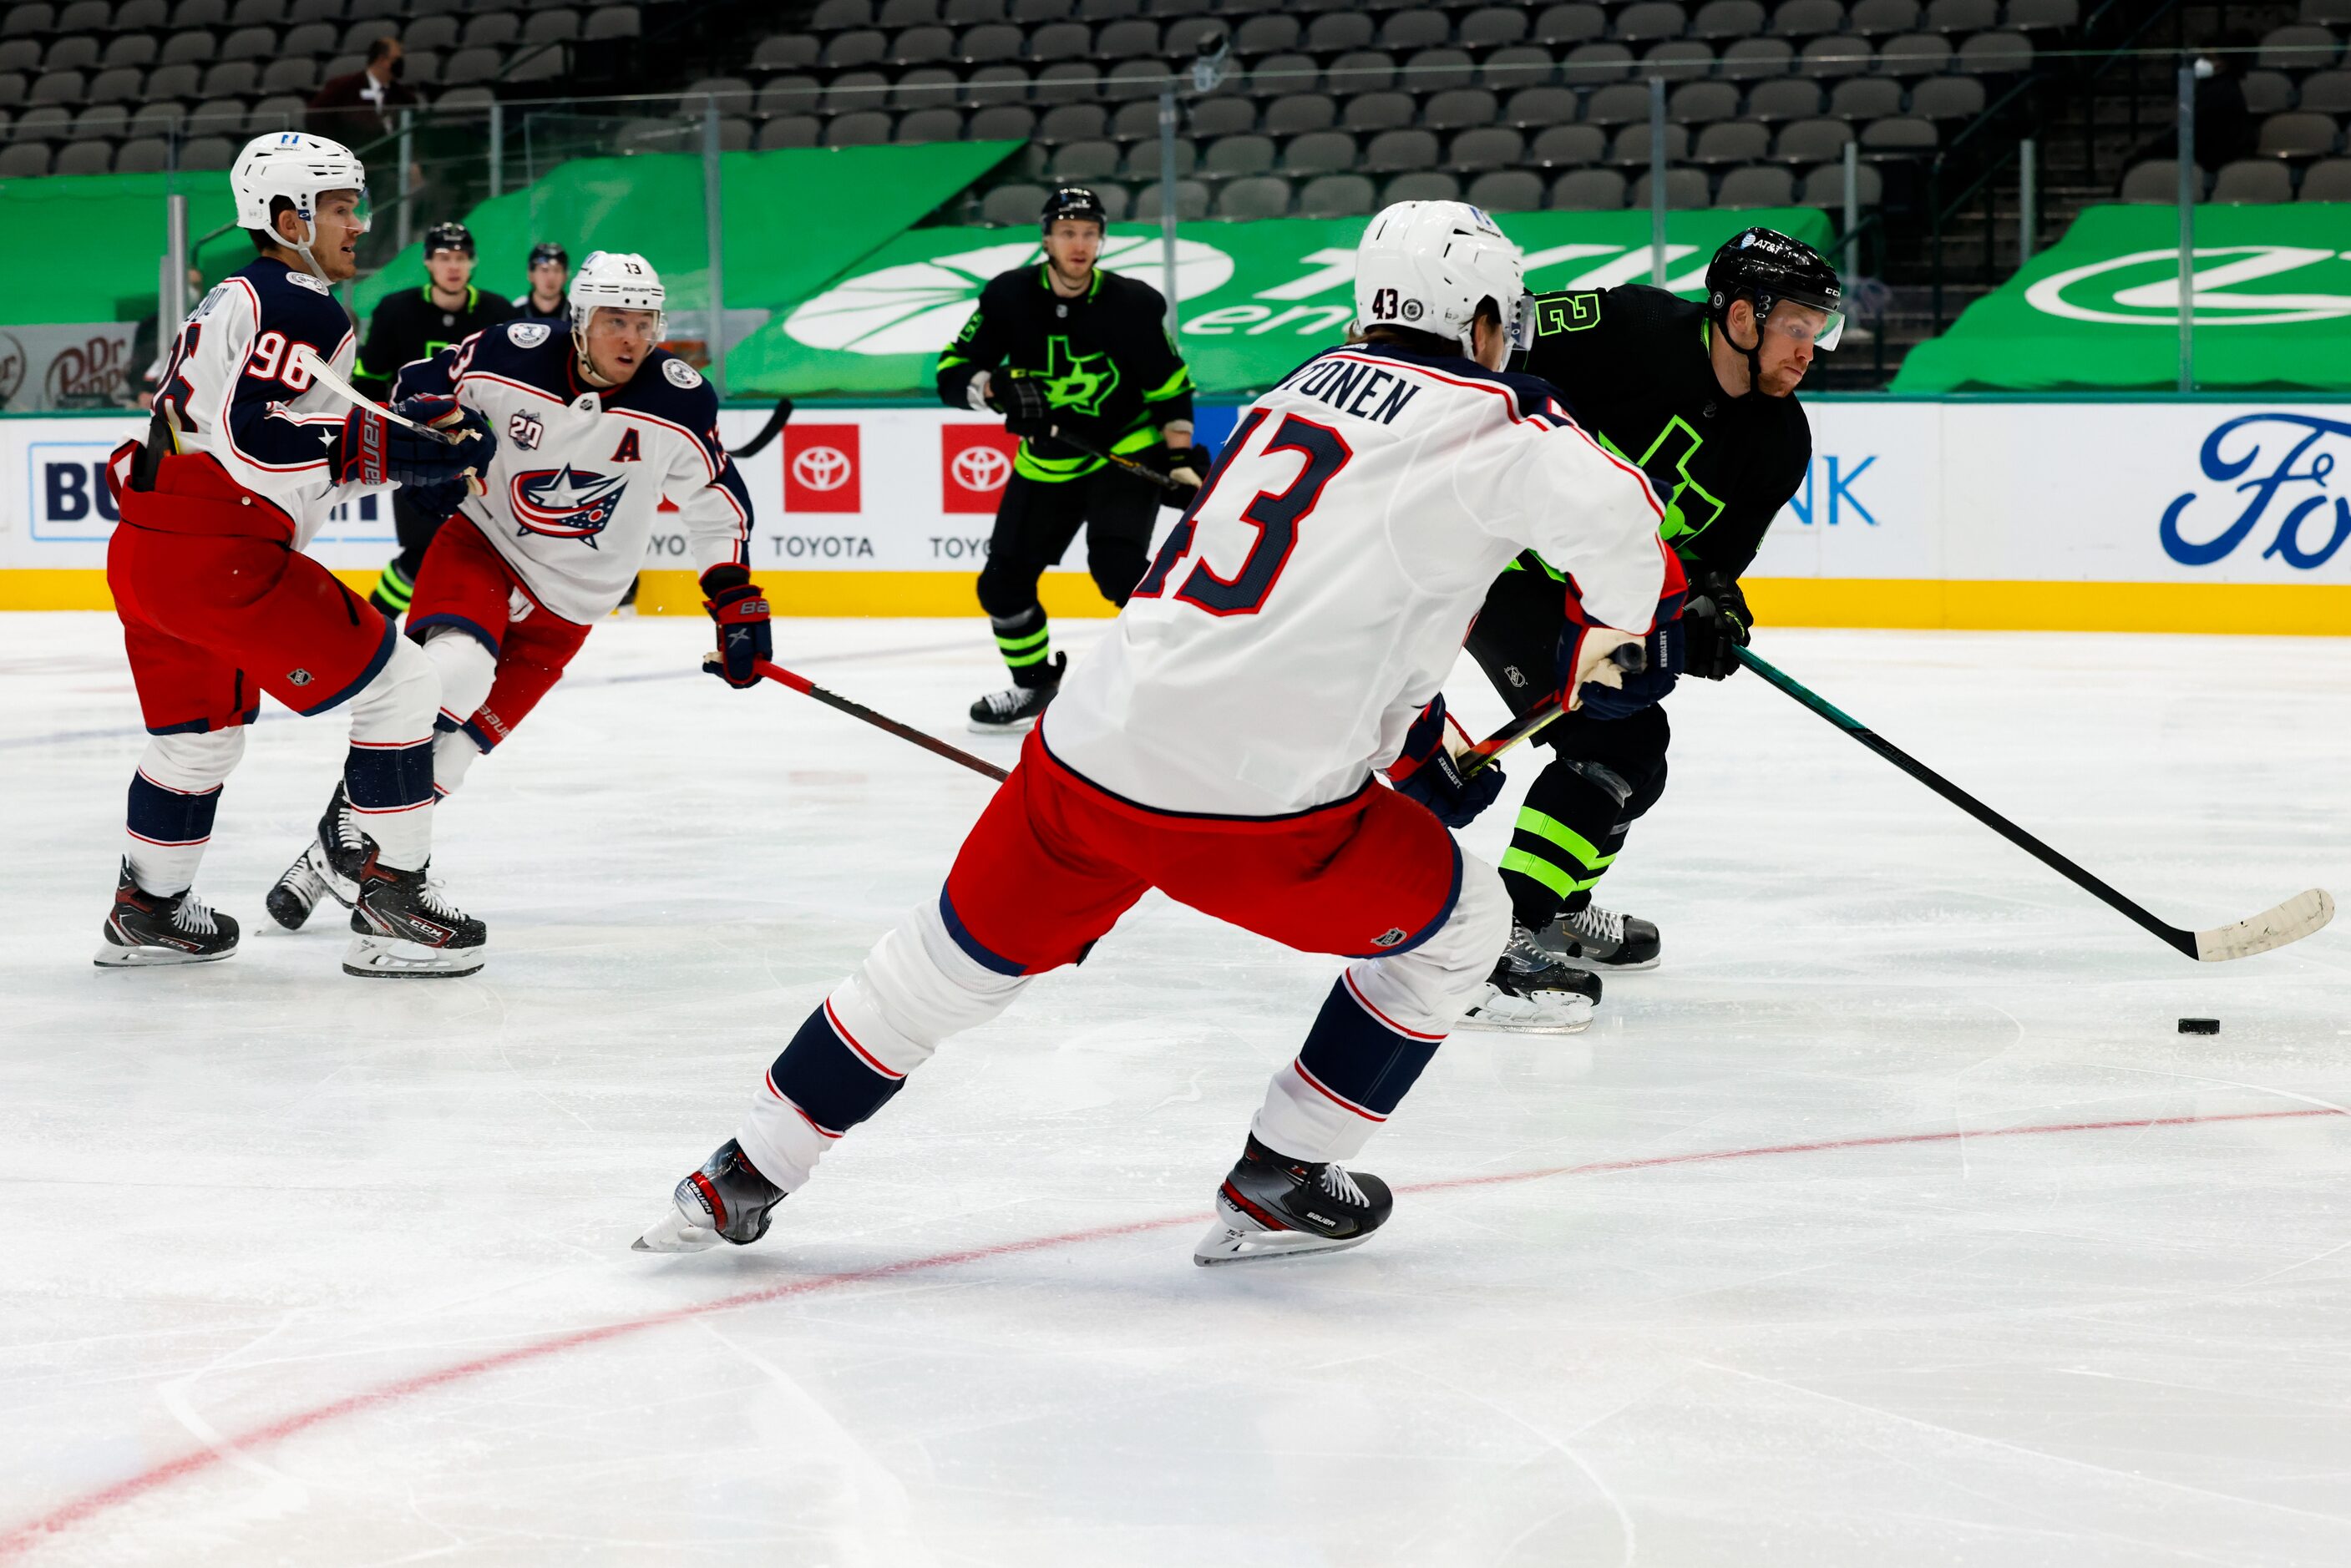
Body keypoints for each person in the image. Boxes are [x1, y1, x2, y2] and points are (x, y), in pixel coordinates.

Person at [635, 200, 1684, 1266]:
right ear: (1482, 316)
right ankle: (1281, 1173)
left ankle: (744, 1169)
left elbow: (1312, 605)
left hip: (1079, 763)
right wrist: (1638, 635)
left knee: (935, 967)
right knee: (1465, 928)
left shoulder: (1298, 390)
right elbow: (1633, 543)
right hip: (1257, 818)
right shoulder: (1496, 423)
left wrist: (1416, 749)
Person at [93, 132, 497, 979]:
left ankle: (149, 908)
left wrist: (400, 456)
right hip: (222, 553)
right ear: (288, 217)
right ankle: (393, 899)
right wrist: (403, 452)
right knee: (405, 684)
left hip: (151, 548)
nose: (360, 222)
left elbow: (283, 455)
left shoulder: (238, 295)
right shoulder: (300, 302)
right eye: (342, 208)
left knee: (197, 739)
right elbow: (259, 441)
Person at [263, 252, 760, 933]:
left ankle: (340, 852)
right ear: (580, 322)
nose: (632, 339)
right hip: (483, 547)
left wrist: (734, 600)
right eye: (615, 320)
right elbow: (422, 382)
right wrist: (435, 425)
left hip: (575, 604)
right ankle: (370, 855)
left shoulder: (678, 397)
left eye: (644, 323)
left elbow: (713, 501)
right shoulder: (510, 352)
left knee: (456, 759)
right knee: (457, 675)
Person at [1457, 226, 1837, 1029]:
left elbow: (1712, 561)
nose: (1810, 350)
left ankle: (1554, 906)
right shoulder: (1625, 325)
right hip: (1500, 567)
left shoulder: (1781, 439)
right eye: (1797, 327)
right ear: (1741, 316)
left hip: (1597, 598)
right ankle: (1496, 940)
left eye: (1817, 331)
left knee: (1638, 754)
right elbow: (1484, 346)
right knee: (1614, 746)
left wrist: (1715, 610)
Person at [934, 185, 1204, 734]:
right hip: (1046, 460)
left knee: (1118, 569)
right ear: (1046, 240)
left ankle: (1172, 687)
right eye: (1066, 232)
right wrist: (996, 388)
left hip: (1123, 452)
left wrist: (1178, 461)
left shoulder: (1133, 304)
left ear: (1101, 241)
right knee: (1001, 586)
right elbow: (952, 368)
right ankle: (1033, 684)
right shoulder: (1008, 296)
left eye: (1088, 233)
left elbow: (1170, 387)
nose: (1078, 244)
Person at [354, 220, 516, 615]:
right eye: (444, 257)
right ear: (428, 262)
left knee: (485, 550)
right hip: (413, 452)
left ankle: (463, 626)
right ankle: (375, 622)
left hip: (481, 456)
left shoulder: (498, 313)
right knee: (420, 554)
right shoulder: (395, 311)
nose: (453, 266)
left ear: (472, 262)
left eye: (461, 257)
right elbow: (369, 380)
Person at [306, 38, 417, 150]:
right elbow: (315, 117)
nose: (401, 63)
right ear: (382, 60)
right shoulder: (344, 86)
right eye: (397, 59)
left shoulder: (404, 95)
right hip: (354, 156)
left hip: (391, 160)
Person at [514, 240, 570, 322]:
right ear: (530, 275)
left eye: (557, 270)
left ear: (566, 276)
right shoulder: (514, 314)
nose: (551, 277)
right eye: (544, 270)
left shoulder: (577, 315)